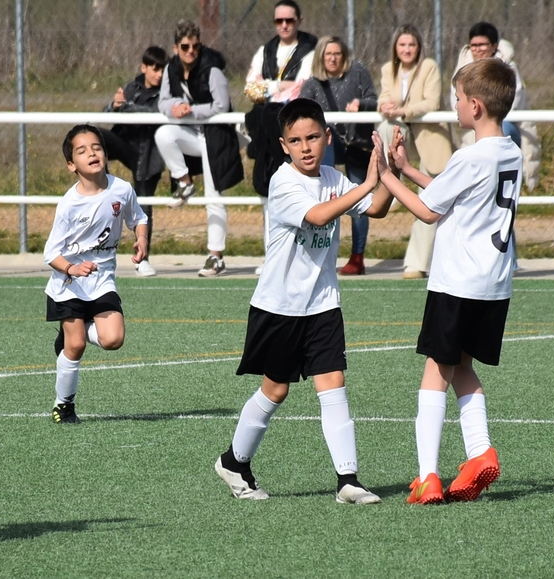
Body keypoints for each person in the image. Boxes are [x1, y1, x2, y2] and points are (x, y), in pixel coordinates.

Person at [213, 98, 393, 504]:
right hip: (279, 306)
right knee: (275, 391)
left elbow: (377, 207)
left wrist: (389, 169)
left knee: (333, 385)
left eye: (313, 137)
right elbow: (317, 216)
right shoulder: (284, 182)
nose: (306, 146)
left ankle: (348, 480)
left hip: (323, 303)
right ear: (283, 145)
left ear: (328, 137)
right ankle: (233, 462)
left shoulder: (333, 175)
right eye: (296, 140)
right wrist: (365, 185)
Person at [375, 58, 522, 504]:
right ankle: (479, 452)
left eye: (457, 99)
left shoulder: (469, 155)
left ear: (475, 106)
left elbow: (427, 211)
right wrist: (409, 168)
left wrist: (385, 175)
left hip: (457, 282)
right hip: (494, 285)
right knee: (463, 368)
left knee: (436, 373)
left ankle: (428, 477)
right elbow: (453, 189)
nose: (454, 106)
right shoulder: (510, 150)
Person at [44, 125, 149, 424]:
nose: (91, 153)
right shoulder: (69, 204)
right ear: (71, 165)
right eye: (81, 151)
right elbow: (50, 253)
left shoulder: (122, 189)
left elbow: (138, 219)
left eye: (96, 147)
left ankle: (69, 337)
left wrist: (141, 239)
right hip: (69, 284)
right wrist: (72, 268)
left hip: (102, 281)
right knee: (74, 346)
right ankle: (64, 405)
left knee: (114, 339)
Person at [155, 19, 244, 277]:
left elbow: (221, 106)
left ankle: (215, 257)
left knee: (214, 197)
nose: (191, 52)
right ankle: (184, 181)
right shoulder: (171, 68)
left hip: (217, 136)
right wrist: (174, 107)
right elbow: (162, 102)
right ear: (175, 48)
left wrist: (190, 110)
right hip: (193, 133)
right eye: (185, 47)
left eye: (195, 46)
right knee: (163, 134)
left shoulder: (212, 69)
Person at [244, 0, 317, 275]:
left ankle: (303, 258)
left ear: (299, 20)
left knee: (301, 197)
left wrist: (269, 88)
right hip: (268, 137)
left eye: (289, 20)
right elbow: (251, 87)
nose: (284, 26)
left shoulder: (311, 48)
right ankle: (272, 256)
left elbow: (303, 87)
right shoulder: (266, 49)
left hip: (297, 129)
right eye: (279, 21)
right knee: (270, 193)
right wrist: (277, 86)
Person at [377, 24, 454, 280]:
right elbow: (384, 98)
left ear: (418, 47)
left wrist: (400, 111)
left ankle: (417, 264)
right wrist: (385, 106)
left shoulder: (429, 66)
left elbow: (431, 102)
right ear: (395, 48)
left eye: (411, 45)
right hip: (402, 137)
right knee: (385, 125)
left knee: (430, 199)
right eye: (402, 45)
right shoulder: (388, 69)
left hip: (429, 137)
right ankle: (391, 182)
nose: (407, 49)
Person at [300, 36, 378, 275]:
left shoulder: (358, 71)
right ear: (320, 57)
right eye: (328, 54)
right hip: (328, 143)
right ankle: (321, 251)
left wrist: (360, 105)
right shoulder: (313, 83)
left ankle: (357, 257)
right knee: (326, 195)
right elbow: (303, 109)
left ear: (344, 55)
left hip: (357, 141)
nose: (332, 58)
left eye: (337, 53)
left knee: (358, 193)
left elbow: (373, 99)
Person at [100, 46, 169, 277]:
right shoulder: (131, 87)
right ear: (144, 67)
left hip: (149, 153)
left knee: (144, 203)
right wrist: (114, 105)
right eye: (155, 68)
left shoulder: (167, 91)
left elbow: (155, 113)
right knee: (95, 135)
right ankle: (104, 185)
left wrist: (127, 107)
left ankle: (143, 259)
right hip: (125, 143)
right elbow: (107, 115)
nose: (159, 74)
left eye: (162, 69)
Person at [450, 21, 543, 192]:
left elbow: (508, 104)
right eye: (473, 45)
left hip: (503, 126)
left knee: (498, 134)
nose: (477, 49)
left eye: (482, 44)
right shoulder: (462, 69)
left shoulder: (506, 69)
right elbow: (454, 102)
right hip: (474, 128)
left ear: (494, 46)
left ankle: (495, 185)